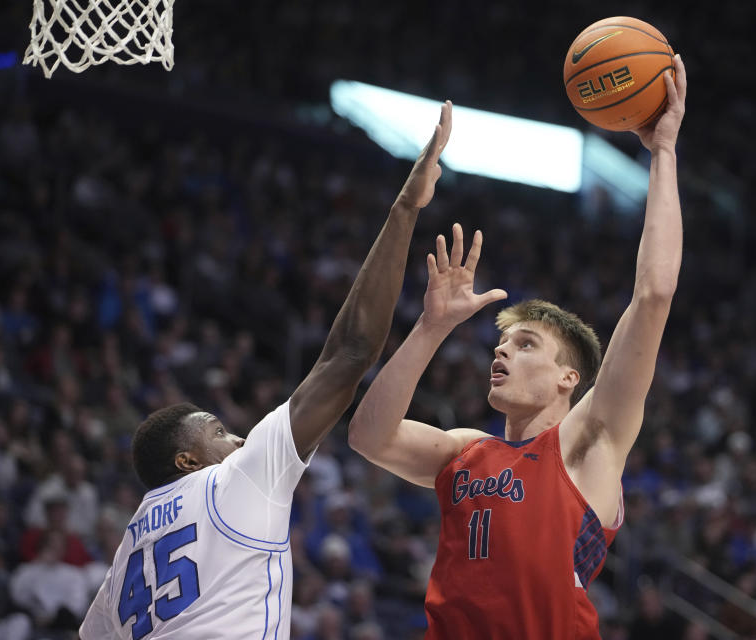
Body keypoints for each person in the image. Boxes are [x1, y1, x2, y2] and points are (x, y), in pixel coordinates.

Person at [79, 101, 454, 639]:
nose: (235, 439)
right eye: (217, 432)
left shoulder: (130, 547)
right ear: (186, 460)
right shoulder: (233, 480)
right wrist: (405, 208)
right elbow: (350, 351)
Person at [349, 56, 686, 639]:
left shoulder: (588, 444)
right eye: (501, 343)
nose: (501, 354)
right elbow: (368, 436)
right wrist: (430, 327)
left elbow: (653, 294)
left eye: (525, 344)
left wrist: (662, 153)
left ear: (568, 379)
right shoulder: (464, 451)